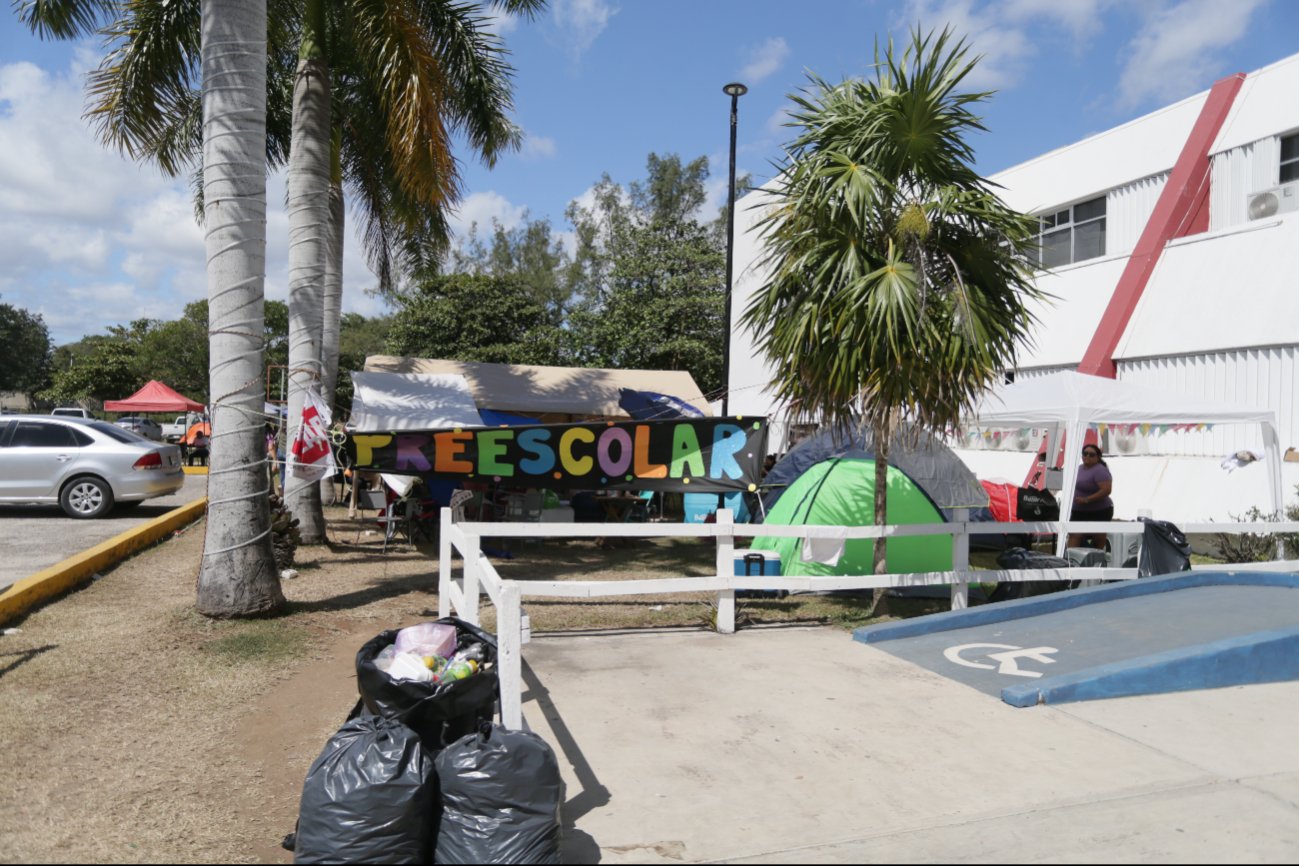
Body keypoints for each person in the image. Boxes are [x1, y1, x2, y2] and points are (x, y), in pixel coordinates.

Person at [1068, 444, 1113, 550]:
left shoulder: (1100, 470)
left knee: (1098, 539)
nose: (1087, 456)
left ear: (1097, 457)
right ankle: (1070, 562)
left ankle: (1098, 562)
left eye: (1091, 454)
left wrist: (1087, 499)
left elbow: (1106, 490)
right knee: (1074, 535)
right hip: (1078, 511)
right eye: (1085, 453)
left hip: (1099, 511)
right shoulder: (1079, 468)